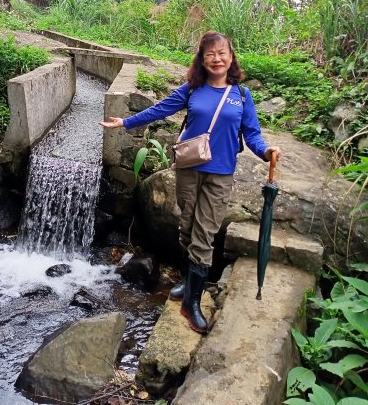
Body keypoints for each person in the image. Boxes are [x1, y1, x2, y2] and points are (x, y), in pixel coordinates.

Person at [100, 31, 280, 334]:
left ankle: (191, 303)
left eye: (222, 53)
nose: (217, 59)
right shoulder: (192, 89)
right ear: (202, 59)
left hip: (220, 175)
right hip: (189, 169)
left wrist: (265, 152)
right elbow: (161, 109)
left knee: (204, 234)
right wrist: (125, 122)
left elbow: (252, 134)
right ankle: (188, 279)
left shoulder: (242, 96)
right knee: (186, 227)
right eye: (210, 54)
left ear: (231, 57)